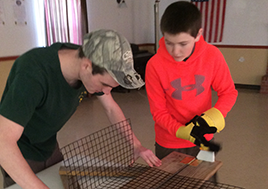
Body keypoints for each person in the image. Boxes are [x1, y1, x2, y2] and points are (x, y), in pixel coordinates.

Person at [0, 29, 162, 188]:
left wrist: (136, 145)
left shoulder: (88, 60)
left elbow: (111, 108)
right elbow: (3, 142)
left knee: (60, 181)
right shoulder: (33, 73)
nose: (105, 92)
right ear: (87, 66)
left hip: (49, 144)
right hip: (20, 151)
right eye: (104, 85)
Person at [146, 1, 238, 162]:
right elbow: (159, 112)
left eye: (183, 44)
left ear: (198, 35)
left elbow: (228, 92)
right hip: (168, 141)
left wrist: (215, 116)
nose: (175, 51)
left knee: (203, 181)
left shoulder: (212, 56)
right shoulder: (154, 65)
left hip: (204, 138)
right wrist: (181, 131)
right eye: (168, 42)